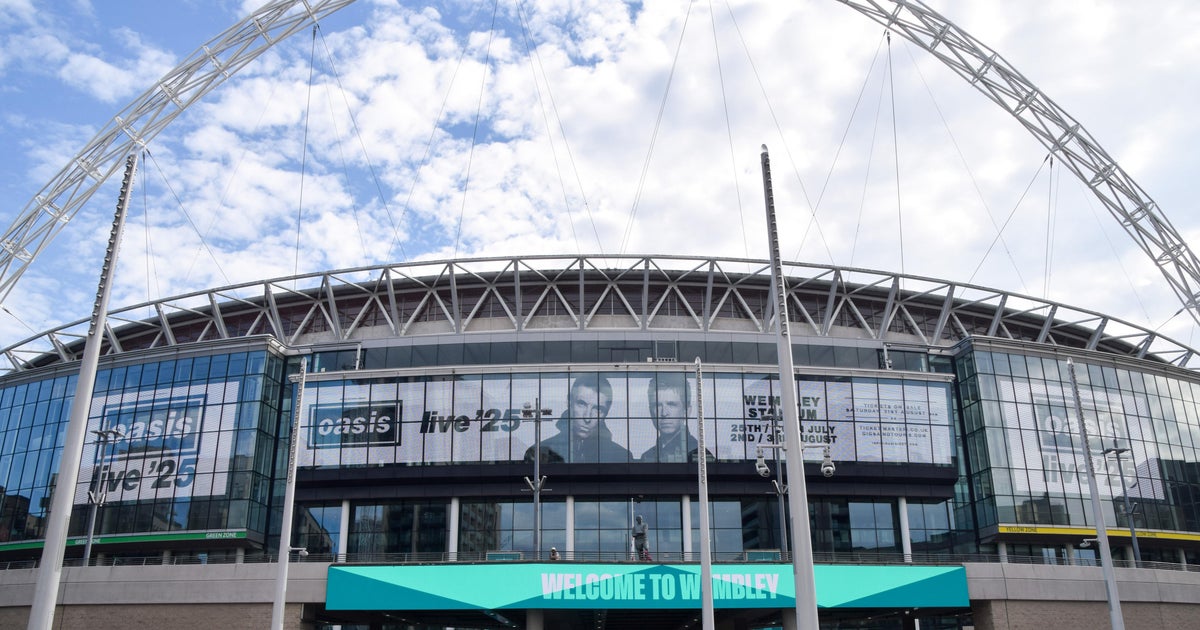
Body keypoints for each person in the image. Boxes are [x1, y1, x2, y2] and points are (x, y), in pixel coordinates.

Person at [524, 376, 631, 463]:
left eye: (597, 409)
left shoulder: (622, 456)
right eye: (582, 404)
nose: (587, 417)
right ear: (569, 402)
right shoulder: (539, 453)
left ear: (606, 413)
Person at [638, 375, 714, 463]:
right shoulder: (647, 456)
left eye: (671, 404)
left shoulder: (699, 455)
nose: (664, 413)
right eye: (657, 406)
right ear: (651, 411)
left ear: (687, 411)